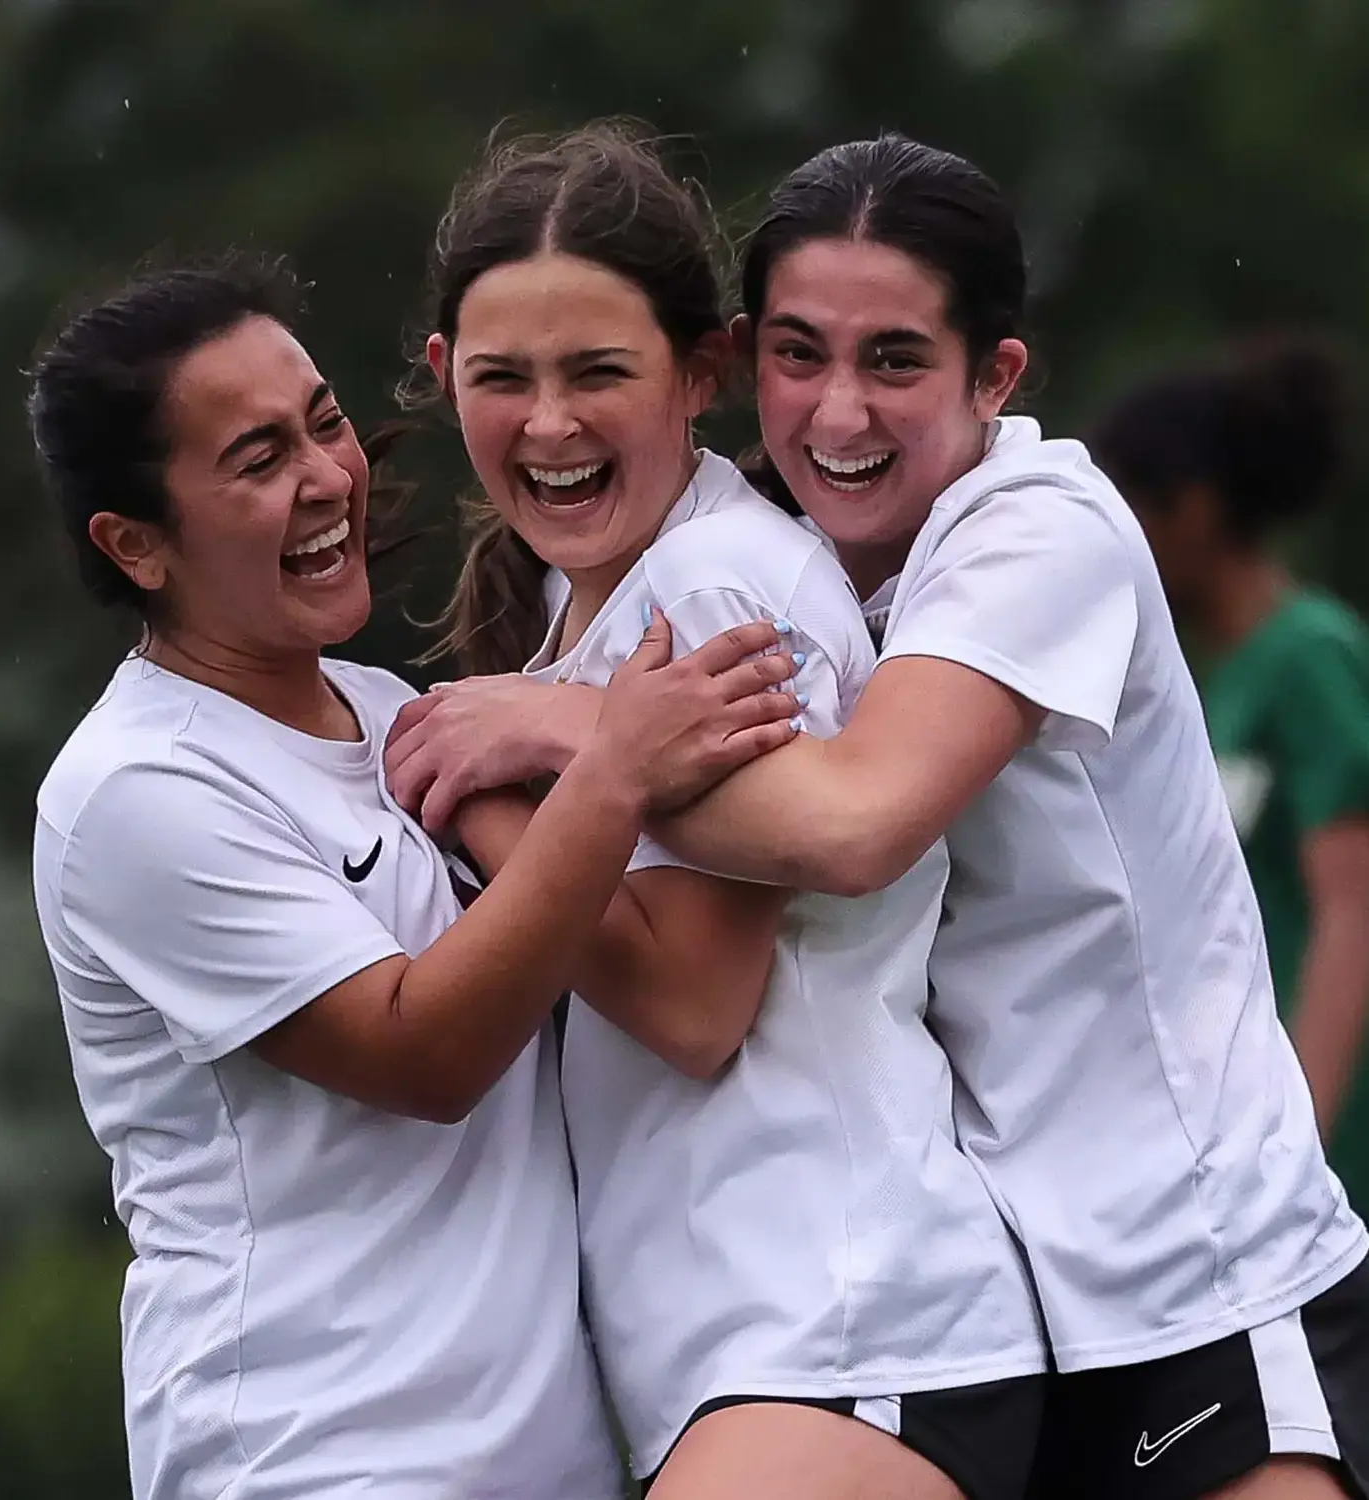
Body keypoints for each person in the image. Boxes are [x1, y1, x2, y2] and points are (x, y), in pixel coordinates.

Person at [389, 136, 1369, 1499]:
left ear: (998, 375)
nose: (838, 411)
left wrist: (553, 747)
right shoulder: (805, 566)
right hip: (1011, 1288)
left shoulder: (1033, 532)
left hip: (1190, 1268)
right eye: (802, 354)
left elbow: (853, 827)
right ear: (744, 359)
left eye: (895, 359)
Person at [25, 252, 802, 1500]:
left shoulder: (398, 718)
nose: (328, 478)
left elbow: (651, 978)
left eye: (322, 422)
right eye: (256, 460)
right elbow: (424, 1054)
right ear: (137, 544)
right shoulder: (138, 793)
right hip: (318, 1459)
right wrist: (612, 765)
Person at [388, 123, 1048, 1500]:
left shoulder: (720, 588)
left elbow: (694, 1008)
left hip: (841, 1332)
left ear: (704, 369)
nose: (552, 424)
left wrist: (479, 806)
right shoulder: (589, 629)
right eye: (505, 377)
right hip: (751, 1361)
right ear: (445, 377)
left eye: (600, 373)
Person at [1091, 337, 1369, 1222]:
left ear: (1197, 510)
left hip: (1319, 1158)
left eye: (1131, 502)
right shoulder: (1209, 676)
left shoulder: (1310, 655)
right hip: (1236, 1138)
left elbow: (1353, 908)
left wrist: (1300, 1150)